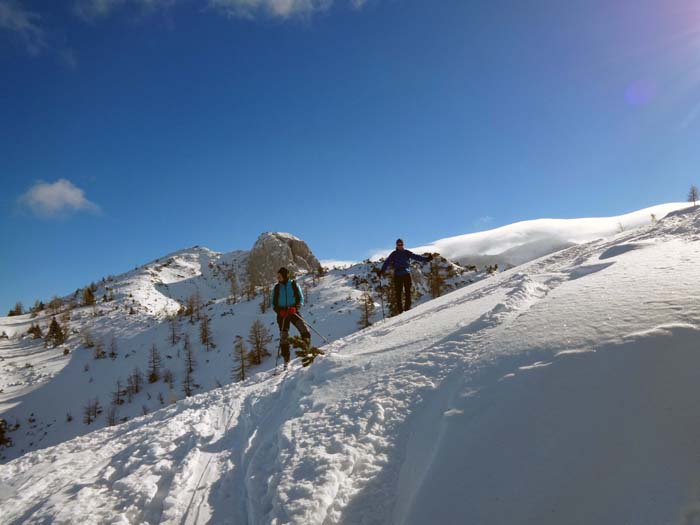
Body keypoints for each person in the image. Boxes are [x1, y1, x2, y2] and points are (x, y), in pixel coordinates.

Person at [377, 239, 432, 314]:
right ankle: (400, 311)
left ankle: (407, 309)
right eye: (399, 244)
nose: (400, 246)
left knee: (408, 292)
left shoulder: (406, 252)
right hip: (397, 275)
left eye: (401, 244)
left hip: (406, 274)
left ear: (403, 245)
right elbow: (387, 262)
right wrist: (382, 271)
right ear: (396, 245)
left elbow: (416, 257)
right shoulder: (394, 254)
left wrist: (426, 259)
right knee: (398, 294)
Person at [271, 267, 310, 368]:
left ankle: (306, 351)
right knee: (284, 337)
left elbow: (300, 298)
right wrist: (279, 311)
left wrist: (296, 307)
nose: (278, 277)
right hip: (282, 314)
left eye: (279, 276)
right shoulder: (276, 287)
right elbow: (273, 303)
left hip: (293, 311)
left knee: (304, 329)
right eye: (277, 276)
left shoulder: (293, 284)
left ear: (285, 275)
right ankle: (286, 360)